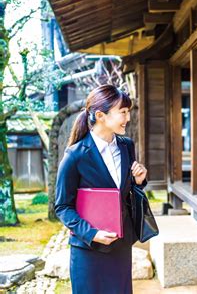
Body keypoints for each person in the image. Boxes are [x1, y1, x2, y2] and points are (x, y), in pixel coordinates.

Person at [55, 85, 148, 294]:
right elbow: (62, 206)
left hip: (120, 245)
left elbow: (125, 192)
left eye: (128, 112)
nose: (128, 118)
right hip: (88, 250)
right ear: (100, 115)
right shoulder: (75, 155)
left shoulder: (126, 146)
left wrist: (139, 180)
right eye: (123, 112)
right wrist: (92, 233)